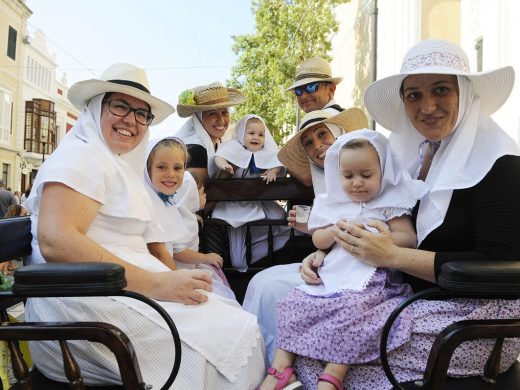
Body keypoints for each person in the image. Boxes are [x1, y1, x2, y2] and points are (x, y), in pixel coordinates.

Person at [291, 38, 520, 389]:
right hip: (417, 299)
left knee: (316, 353)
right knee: (302, 331)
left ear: (464, 93)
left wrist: (396, 256)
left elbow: (502, 264)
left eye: (441, 90)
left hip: (476, 320)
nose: (427, 106)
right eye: (413, 95)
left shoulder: (499, 162)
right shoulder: (419, 158)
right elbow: (377, 223)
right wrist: (325, 252)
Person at [24, 63, 265, 389]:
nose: (131, 120)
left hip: (111, 289)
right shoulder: (81, 156)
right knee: (224, 331)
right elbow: (56, 241)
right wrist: (155, 284)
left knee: (230, 319)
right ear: (97, 107)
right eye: (120, 106)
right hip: (77, 302)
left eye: (142, 113)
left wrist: (166, 277)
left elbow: (146, 241)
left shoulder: (116, 163)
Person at [258, 130, 427, 390]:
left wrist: (387, 238)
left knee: (352, 311)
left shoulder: (389, 203)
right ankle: (280, 368)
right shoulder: (336, 204)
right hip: (335, 273)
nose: (357, 183)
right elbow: (318, 240)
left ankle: (334, 374)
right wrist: (333, 231)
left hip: (372, 279)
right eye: (348, 176)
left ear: (382, 172)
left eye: (366, 175)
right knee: (292, 303)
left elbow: (409, 239)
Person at [243, 108, 368, 363]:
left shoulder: (365, 174)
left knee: (269, 288)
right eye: (309, 142)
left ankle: (273, 368)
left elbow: (365, 228)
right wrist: (318, 249)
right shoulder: (327, 184)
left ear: (340, 135)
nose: (317, 146)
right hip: (333, 263)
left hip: (360, 273)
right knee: (260, 281)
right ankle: (256, 365)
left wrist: (322, 240)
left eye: (323, 135)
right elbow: (330, 236)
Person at [144, 136, 235, 300]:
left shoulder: (167, 204)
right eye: (161, 167)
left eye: (178, 168)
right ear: (148, 169)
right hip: (163, 276)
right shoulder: (149, 204)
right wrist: (181, 282)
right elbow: (162, 254)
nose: (170, 174)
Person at [212, 114, 291, 270]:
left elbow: (277, 164)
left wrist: (272, 172)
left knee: (280, 220)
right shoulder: (232, 148)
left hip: (258, 202)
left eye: (261, 135)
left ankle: (258, 253)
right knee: (238, 261)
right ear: (242, 133)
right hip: (235, 206)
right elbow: (219, 157)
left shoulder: (266, 152)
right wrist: (224, 166)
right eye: (251, 133)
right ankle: (243, 261)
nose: (256, 137)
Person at [175, 82, 246, 181]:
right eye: (212, 113)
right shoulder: (195, 148)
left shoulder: (218, 142)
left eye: (224, 112)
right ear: (199, 117)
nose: (221, 120)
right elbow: (199, 192)